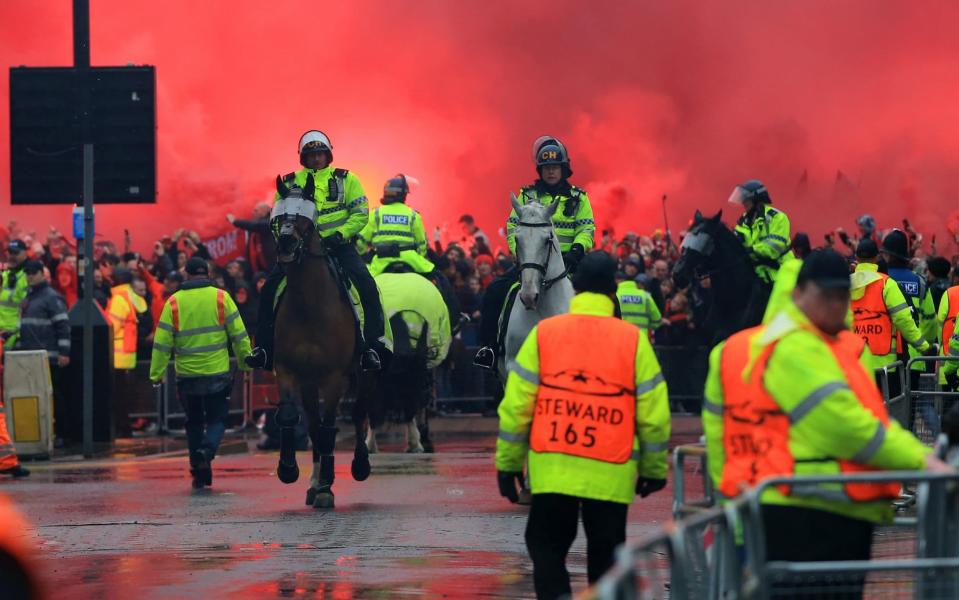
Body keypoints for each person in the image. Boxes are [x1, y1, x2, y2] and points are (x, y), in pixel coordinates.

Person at [702, 249, 951, 599]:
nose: (838, 306)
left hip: (795, 504)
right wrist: (923, 462)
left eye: (843, 296)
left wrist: (730, 500)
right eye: (828, 296)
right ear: (799, 293)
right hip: (813, 511)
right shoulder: (798, 348)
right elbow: (847, 426)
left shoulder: (790, 346)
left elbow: (719, 439)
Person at [496, 251, 670, 599]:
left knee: (546, 551)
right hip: (610, 474)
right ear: (612, 291)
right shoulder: (632, 340)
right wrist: (653, 468)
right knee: (607, 561)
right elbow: (653, 413)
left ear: (575, 288)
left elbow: (517, 406)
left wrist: (509, 464)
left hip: (553, 472)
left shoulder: (545, 334)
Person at [246, 130, 386, 372]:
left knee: (366, 284)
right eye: (311, 154)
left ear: (328, 154)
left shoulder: (347, 179)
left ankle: (371, 348)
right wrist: (287, 241)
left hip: (339, 246)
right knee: (269, 288)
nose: (316, 158)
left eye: (320, 153)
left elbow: (360, 213)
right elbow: (277, 218)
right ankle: (265, 350)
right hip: (300, 249)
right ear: (303, 157)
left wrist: (340, 234)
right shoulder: (289, 182)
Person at [475, 136, 595, 369]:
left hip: (569, 261)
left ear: (563, 168)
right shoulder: (526, 196)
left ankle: (607, 353)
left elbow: (586, 228)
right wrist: (520, 254)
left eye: (555, 167)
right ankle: (489, 349)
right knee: (495, 290)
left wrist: (578, 249)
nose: (551, 172)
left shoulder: (579, 198)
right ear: (540, 170)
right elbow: (512, 227)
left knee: (609, 297)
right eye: (546, 168)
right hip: (531, 261)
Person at [149, 258, 252, 488]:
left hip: (187, 376)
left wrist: (156, 374)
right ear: (207, 274)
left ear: (186, 275)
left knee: (193, 422)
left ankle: (198, 468)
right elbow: (239, 334)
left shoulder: (174, 302)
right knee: (217, 419)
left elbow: (162, 342)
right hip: (217, 373)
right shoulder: (221, 298)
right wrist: (245, 364)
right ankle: (206, 452)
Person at [358, 175, 460, 321]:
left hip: (380, 262)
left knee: (355, 286)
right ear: (404, 195)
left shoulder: (376, 214)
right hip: (411, 259)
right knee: (441, 281)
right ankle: (454, 318)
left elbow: (361, 242)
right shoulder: (413, 215)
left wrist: (364, 255)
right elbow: (422, 246)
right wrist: (419, 255)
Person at [851, 239, 930, 382]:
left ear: (856, 258)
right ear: (876, 258)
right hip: (885, 367)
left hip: (854, 365)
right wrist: (923, 346)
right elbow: (903, 320)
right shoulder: (887, 284)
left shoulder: (844, 285)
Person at [14, 260, 71, 446]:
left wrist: (64, 352)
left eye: (33, 272)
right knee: (39, 397)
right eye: (27, 273)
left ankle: (61, 433)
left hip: (49, 357)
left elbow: (63, 325)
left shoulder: (51, 297)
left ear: (41, 273)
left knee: (54, 396)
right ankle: (44, 434)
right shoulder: (29, 297)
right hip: (30, 357)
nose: (29, 276)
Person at [728, 179, 794, 284]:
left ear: (757, 199)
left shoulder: (777, 217)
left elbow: (774, 249)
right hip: (757, 275)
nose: (743, 203)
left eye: (746, 199)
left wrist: (750, 250)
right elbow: (736, 245)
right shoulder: (743, 221)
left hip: (781, 275)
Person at [227, 202, 276, 274]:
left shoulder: (270, 222)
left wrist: (235, 221)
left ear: (265, 212)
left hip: (272, 266)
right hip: (260, 268)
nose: (253, 213)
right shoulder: (255, 231)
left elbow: (256, 225)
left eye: (256, 210)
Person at [0, 240, 29, 348]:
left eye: (16, 253)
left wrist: (13, 332)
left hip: (13, 337)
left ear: (25, 253)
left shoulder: (27, 277)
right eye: (10, 252)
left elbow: (27, 311)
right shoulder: (5, 274)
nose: (12, 256)